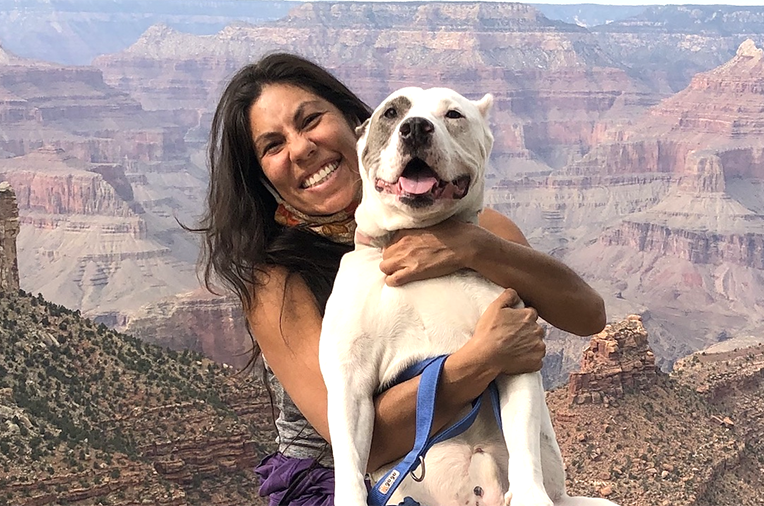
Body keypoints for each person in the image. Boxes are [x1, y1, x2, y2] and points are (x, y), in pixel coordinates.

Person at [195, 52, 607, 506]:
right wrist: (480, 360)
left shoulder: (482, 231)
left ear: (359, 126)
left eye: (310, 120)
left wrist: (474, 246)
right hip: (335, 479)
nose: (301, 148)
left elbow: (587, 314)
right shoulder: (275, 280)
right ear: (262, 177)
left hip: (476, 471)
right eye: (273, 146)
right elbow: (361, 442)